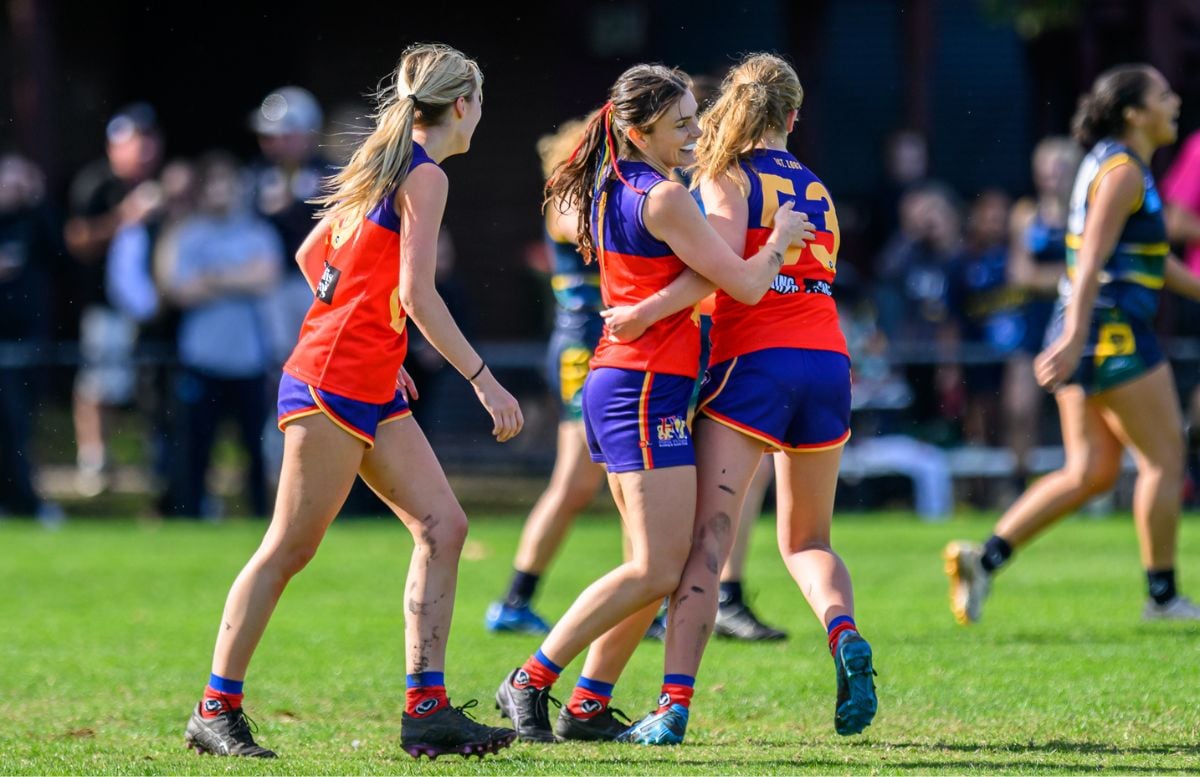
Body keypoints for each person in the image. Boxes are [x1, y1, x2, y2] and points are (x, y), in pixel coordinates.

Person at [183, 43, 521, 760]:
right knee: (289, 546)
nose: (481, 114)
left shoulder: (390, 164)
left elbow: (314, 258)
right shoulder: (422, 177)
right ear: (462, 104)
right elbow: (418, 294)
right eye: (481, 100)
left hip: (362, 377)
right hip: (333, 381)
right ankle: (215, 708)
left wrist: (380, 345)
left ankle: (426, 710)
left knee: (444, 526)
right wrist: (483, 378)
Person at [493, 63, 813, 744]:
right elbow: (746, 285)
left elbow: (698, 276)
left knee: (656, 562)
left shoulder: (623, 180)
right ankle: (530, 679)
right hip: (641, 388)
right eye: (682, 124)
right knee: (656, 566)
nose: (697, 133)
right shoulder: (664, 196)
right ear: (638, 131)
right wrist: (781, 239)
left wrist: (651, 307)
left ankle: (588, 705)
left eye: (698, 117)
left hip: (637, 381)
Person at [601, 53, 877, 745]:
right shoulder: (817, 186)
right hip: (827, 362)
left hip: (753, 365)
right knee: (807, 538)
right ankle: (842, 631)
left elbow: (720, 275)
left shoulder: (727, 177)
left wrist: (644, 311)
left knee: (707, 542)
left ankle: (672, 705)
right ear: (792, 115)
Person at [944, 64, 1200, 625]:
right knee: (1164, 458)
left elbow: (1149, 262)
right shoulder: (1124, 173)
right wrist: (1076, 333)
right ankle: (1162, 598)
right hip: (1112, 333)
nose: (1174, 101)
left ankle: (983, 560)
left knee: (1091, 471)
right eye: (1163, 94)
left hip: (1089, 330)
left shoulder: (1113, 163)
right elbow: (1088, 261)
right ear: (1134, 113)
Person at [485, 117, 607, 634]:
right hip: (582, 350)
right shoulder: (565, 199)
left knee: (624, 477)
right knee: (575, 481)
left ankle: (656, 604)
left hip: (614, 346)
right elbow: (586, 229)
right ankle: (514, 600)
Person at [159, 153, 282, 518]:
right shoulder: (188, 234)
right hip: (201, 359)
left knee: (254, 447)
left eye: (228, 184)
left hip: (249, 360)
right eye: (213, 184)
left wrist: (211, 277)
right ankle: (191, 513)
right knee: (196, 447)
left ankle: (261, 514)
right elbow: (178, 290)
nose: (221, 192)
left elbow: (265, 278)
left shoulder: (258, 232)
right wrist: (238, 278)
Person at [64, 103, 163, 496]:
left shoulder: (164, 186)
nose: (142, 151)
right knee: (99, 382)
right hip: (106, 306)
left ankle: (151, 460)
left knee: (149, 386)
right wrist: (124, 216)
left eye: (148, 142)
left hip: (153, 310)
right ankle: (95, 458)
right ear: (113, 147)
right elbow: (76, 240)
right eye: (133, 143)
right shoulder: (96, 184)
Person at [1004, 137, 1081, 490]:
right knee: (1020, 409)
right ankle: (1020, 483)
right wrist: (1067, 277)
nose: (1052, 178)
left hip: (1073, 319)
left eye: (1060, 170)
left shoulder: (1087, 211)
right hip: (1033, 320)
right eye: (1046, 171)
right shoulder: (1026, 214)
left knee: (1079, 407)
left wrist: (1049, 278)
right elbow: (1021, 275)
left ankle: (1080, 482)